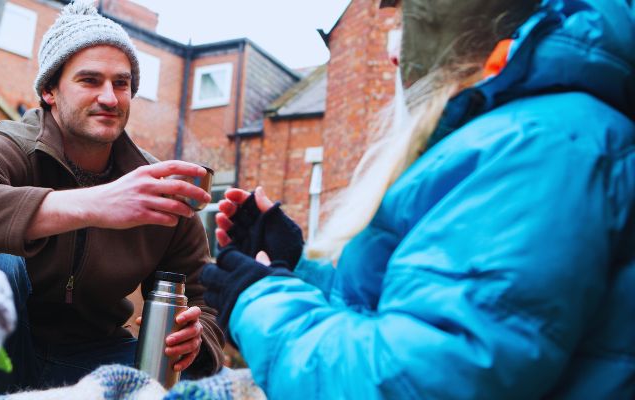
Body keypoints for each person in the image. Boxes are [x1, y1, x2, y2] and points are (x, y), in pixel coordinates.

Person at [201, 0, 635, 398]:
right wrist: (294, 272)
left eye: (408, 27)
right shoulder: (529, 134)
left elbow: (418, 381)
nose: (394, 56)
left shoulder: (537, 144)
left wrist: (259, 301)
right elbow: (412, 318)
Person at [0, 0, 224, 393]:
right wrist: (92, 205)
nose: (109, 97)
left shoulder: (154, 185)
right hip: (0, 352)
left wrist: (196, 339)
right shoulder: (13, 146)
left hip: (97, 356)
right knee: (1, 263)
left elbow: (203, 298)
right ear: (49, 91)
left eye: (121, 84)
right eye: (90, 81)